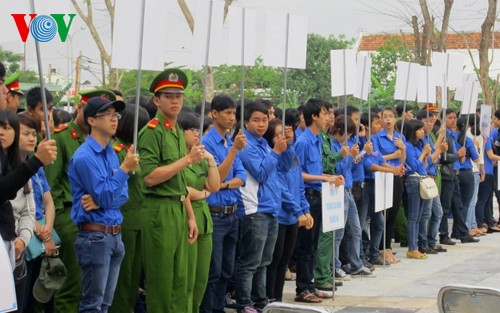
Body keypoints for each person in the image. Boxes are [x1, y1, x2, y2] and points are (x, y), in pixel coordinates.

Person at [44, 88, 117, 313]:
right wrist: (59, 226)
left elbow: (119, 187)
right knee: (72, 286)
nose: (110, 118)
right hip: (70, 218)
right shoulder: (63, 137)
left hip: (101, 220)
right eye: (100, 112)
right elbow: (52, 185)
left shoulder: (106, 145)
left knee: (97, 292)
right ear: (81, 109)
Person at [138, 68, 201, 313]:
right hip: (159, 209)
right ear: (156, 100)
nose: (175, 100)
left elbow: (178, 182)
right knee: (162, 282)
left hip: (177, 207)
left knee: (180, 280)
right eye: (168, 96)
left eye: (178, 96)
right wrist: (187, 160)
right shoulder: (152, 132)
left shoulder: (175, 131)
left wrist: (190, 216)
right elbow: (150, 177)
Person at [68, 96, 139, 312]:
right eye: (106, 115)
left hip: (114, 234)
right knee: (92, 305)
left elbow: (122, 196)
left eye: (115, 115)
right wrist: (125, 169)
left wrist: (101, 202)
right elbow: (110, 196)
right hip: (95, 237)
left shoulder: (110, 152)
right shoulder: (84, 157)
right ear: (91, 121)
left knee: (105, 304)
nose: (114, 119)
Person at [235, 102, 294, 312]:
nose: (261, 124)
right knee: (250, 262)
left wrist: (288, 145)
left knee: (264, 261)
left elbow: (285, 167)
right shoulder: (246, 146)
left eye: (264, 120)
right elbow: (260, 173)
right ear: (246, 122)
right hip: (255, 210)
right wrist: (276, 151)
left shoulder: (264, 144)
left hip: (271, 209)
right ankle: (244, 302)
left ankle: (261, 301)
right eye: (256, 120)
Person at [200, 94, 247, 313]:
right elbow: (215, 179)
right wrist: (234, 151)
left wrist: (224, 183)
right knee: (213, 270)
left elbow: (240, 177)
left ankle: (218, 308)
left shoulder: (229, 141)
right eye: (227, 113)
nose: (231, 118)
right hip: (215, 212)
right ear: (214, 114)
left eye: (233, 113)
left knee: (227, 270)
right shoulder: (207, 142)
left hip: (232, 213)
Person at [294, 99, 343, 303]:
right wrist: (325, 178)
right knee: (305, 246)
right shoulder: (304, 142)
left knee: (314, 244)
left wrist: (331, 177)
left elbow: (315, 171)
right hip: (307, 197)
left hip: (319, 195)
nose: (328, 118)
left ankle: (311, 285)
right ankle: (302, 288)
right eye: (324, 113)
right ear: (314, 116)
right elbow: (297, 174)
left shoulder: (317, 140)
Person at [264, 117, 311, 303]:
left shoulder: (290, 157)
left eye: (283, 135)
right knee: (274, 261)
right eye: (277, 136)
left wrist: (304, 209)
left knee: (284, 260)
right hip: (281, 215)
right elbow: (281, 188)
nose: (281, 139)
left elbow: (299, 185)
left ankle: (278, 297)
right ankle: (269, 298)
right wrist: (298, 210)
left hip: (293, 216)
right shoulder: (272, 158)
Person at [177, 111, 220, 313]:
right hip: (186, 220)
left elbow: (214, 186)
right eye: (191, 130)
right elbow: (183, 190)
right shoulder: (177, 159)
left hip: (204, 221)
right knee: (186, 279)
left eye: (198, 130)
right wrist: (203, 194)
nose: (196, 134)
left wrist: (210, 160)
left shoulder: (201, 159)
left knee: (202, 278)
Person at [109, 103, 149, 313]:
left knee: (134, 278)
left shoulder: (133, 151)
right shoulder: (117, 153)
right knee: (122, 280)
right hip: (125, 220)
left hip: (139, 221)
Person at [16, 113, 58, 312]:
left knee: (39, 297)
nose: (32, 138)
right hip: (23, 237)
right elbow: (18, 207)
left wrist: (48, 228)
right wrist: (40, 231)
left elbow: (48, 202)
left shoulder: (37, 165)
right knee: (21, 299)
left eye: (34, 133)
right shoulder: (13, 167)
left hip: (41, 234)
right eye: (26, 134)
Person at [371, 107, 406, 263]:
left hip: (397, 175)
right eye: (385, 116)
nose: (388, 119)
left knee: (393, 211)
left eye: (391, 116)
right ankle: (380, 248)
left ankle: (388, 247)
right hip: (383, 176)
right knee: (383, 213)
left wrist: (403, 149)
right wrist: (394, 154)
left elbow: (402, 159)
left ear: (396, 119)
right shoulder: (377, 138)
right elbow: (377, 158)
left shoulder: (399, 137)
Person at [401, 119, 431, 259]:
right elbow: (413, 166)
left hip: (422, 179)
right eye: (419, 129)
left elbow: (425, 165)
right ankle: (412, 247)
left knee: (420, 216)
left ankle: (416, 245)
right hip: (413, 180)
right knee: (413, 216)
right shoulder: (408, 146)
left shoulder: (420, 145)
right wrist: (423, 154)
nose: (422, 131)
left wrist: (426, 154)